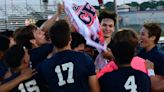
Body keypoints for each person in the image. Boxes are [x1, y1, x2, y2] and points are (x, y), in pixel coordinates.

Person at [36, 20, 99, 92]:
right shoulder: (84, 58)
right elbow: (95, 89)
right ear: (70, 38)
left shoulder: (43, 66)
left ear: (51, 41)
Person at [137, 22, 164, 91]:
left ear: (152, 38)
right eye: (140, 34)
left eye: (143, 34)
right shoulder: (140, 53)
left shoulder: (160, 57)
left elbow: (158, 86)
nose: (139, 37)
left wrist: (150, 71)